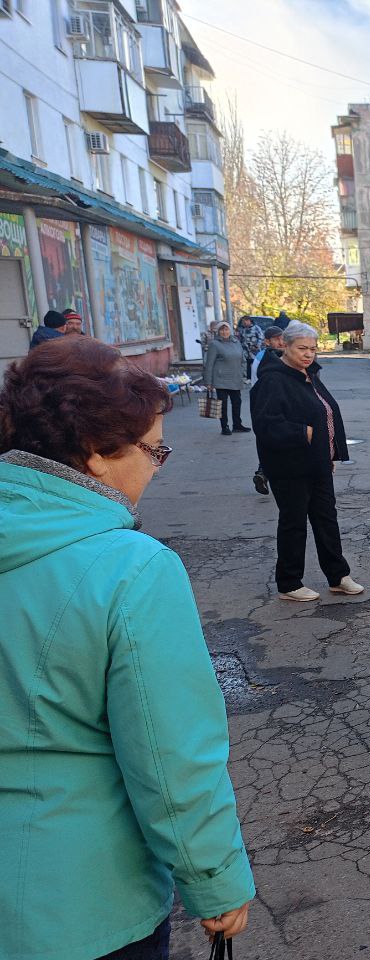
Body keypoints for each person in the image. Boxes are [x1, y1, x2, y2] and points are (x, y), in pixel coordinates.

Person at [0, 337, 254, 960]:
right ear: (96, 453)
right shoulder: (130, 568)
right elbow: (171, 755)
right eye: (153, 450)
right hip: (78, 904)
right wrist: (215, 880)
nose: (157, 466)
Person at [251, 321, 363, 602]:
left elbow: (325, 413)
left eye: (313, 349)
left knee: (327, 520)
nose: (309, 354)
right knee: (294, 523)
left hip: (318, 463)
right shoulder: (273, 379)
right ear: (285, 346)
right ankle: (289, 583)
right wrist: (305, 433)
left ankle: (338, 576)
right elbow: (266, 425)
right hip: (289, 466)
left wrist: (330, 452)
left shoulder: (310, 374)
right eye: (302, 348)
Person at [250, 327, 286, 496]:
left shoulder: (285, 354)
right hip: (265, 405)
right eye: (276, 339)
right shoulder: (261, 359)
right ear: (267, 341)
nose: (280, 342)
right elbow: (257, 384)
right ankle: (265, 473)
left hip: (278, 405)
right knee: (271, 441)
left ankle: (263, 472)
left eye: (282, 338)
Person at [203, 321, 249, 436]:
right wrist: (208, 382)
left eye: (226, 329)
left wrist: (243, 372)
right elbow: (209, 364)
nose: (225, 332)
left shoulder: (236, 342)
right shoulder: (214, 344)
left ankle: (237, 425)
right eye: (222, 330)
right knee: (222, 405)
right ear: (218, 331)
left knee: (237, 402)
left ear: (230, 330)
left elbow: (243, 359)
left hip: (235, 378)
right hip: (221, 379)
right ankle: (225, 427)